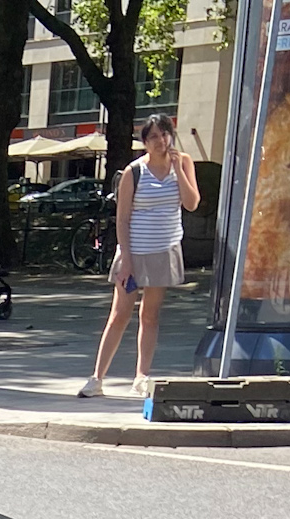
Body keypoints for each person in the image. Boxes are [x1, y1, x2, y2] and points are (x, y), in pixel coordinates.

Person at [81, 114, 202, 398]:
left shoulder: (182, 162)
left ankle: (142, 376)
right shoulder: (133, 172)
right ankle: (97, 378)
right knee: (120, 314)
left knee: (150, 315)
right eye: (154, 138)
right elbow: (122, 220)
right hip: (135, 249)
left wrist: (178, 170)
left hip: (165, 248)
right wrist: (127, 262)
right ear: (145, 142)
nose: (161, 142)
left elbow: (192, 203)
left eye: (164, 135)